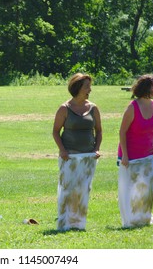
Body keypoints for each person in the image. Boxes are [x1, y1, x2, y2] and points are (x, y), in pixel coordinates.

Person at [52, 73, 102, 231]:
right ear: (77, 88)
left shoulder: (93, 108)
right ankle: (65, 223)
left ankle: (79, 224)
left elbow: (99, 131)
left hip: (88, 157)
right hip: (70, 158)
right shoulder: (64, 108)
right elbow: (55, 131)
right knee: (68, 190)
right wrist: (62, 150)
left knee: (83, 190)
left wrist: (96, 149)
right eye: (87, 86)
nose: (90, 89)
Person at [118, 74, 153, 228]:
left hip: (149, 154)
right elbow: (122, 131)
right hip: (130, 156)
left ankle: (146, 218)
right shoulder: (132, 107)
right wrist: (124, 155)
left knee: (148, 187)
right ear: (147, 88)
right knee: (131, 189)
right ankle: (130, 221)